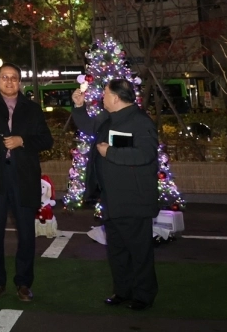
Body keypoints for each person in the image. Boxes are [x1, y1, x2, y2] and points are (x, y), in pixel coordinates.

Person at [72, 78, 160, 311]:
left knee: (139, 250)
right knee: (118, 249)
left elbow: (145, 154)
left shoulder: (140, 122)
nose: (102, 97)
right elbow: (88, 127)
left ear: (116, 97)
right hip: (112, 198)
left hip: (134, 198)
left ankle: (143, 295)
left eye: (105, 93)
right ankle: (123, 291)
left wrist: (110, 152)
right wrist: (79, 107)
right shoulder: (107, 118)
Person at [0, 62, 54, 302]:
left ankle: (24, 283)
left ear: (20, 82)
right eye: (4, 77)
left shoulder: (32, 108)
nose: (9, 81)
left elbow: (46, 140)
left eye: (14, 77)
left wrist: (22, 140)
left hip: (23, 176)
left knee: (26, 233)